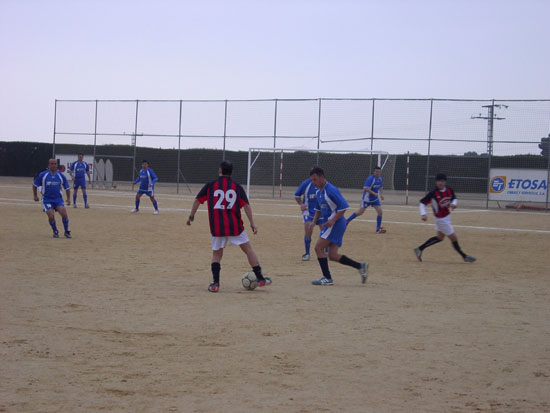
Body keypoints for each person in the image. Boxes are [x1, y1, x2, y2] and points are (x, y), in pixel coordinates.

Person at [186, 160, 272, 293]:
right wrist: (252, 223)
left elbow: (197, 200)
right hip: (235, 225)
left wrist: (191, 216)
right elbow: (246, 206)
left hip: (217, 227)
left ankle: (215, 284)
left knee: (217, 254)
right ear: (231, 173)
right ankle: (260, 278)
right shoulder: (237, 187)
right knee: (248, 250)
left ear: (220, 171)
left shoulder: (210, 186)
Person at [309, 167, 368, 286]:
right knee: (333, 255)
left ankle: (327, 278)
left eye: (315, 180)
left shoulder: (331, 190)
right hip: (332, 224)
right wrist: (313, 222)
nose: (313, 183)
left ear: (321, 177)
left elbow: (343, 207)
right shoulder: (318, 192)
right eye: (312, 180)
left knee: (318, 248)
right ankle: (361, 267)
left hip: (335, 224)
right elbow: (318, 209)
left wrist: (332, 220)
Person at [413, 173, 476, 263]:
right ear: (436, 182)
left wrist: (454, 204)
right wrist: (423, 214)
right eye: (438, 181)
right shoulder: (433, 193)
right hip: (440, 219)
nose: (440, 183)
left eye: (442, 181)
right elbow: (422, 202)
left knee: (440, 237)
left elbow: (454, 198)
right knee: (453, 238)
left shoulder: (449, 190)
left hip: (447, 217)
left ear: (445, 182)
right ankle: (464, 256)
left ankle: (419, 249)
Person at [33, 158, 72, 238]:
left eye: (55, 164)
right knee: (51, 216)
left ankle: (66, 231)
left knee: (64, 214)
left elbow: (67, 188)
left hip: (58, 199)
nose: (53, 165)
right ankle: (55, 231)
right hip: (47, 199)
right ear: (48, 165)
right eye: (52, 164)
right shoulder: (43, 175)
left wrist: (68, 199)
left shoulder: (61, 176)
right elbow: (35, 185)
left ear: (57, 165)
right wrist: (35, 195)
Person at [294, 177, 326, 261]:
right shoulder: (306, 184)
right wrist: (301, 204)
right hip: (308, 212)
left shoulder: (323, 184)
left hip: (321, 212)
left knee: (325, 231)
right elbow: (297, 195)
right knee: (308, 230)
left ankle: (325, 248)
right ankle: (307, 253)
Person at [346, 166, 386, 233]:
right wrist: (374, 193)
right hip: (366, 199)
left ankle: (378, 229)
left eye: (379, 172)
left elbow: (381, 187)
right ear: (374, 172)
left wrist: (381, 194)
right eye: (376, 171)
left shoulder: (380, 179)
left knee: (380, 212)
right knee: (360, 212)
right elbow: (365, 188)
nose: (377, 173)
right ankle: (346, 221)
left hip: (375, 199)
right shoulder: (370, 179)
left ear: (380, 172)